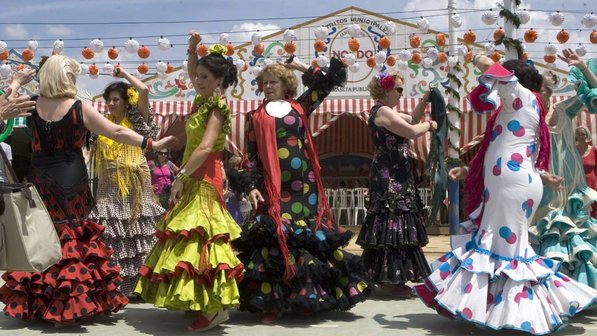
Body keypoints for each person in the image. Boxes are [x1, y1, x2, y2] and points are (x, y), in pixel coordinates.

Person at [415, 55, 597, 334]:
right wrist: (468, 171)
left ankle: (513, 311)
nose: (497, 89)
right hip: (511, 181)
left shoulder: (522, 96)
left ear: (516, 80)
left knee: (504, 248)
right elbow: (508, 146)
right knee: (500, 244)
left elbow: (494, 69)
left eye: (504, 82)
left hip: (510, 184)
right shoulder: (518, 107)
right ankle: (496, 307)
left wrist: (476, 56)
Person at [0, 56, 175, 325]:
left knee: (44, 235)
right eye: (72, 75)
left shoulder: (33, 103)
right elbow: (115, 131)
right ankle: (71, 303)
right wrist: (150, 143)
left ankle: (42, 303)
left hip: (39, 177)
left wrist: (14, 82)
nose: (74, 80)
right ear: (64, 77)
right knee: (73, 235)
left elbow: (3, 107)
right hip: (71, 177)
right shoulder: (78, 107)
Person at [229, 56, 371, 324]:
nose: (268, 86)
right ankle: (271, 302)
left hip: (304, 185)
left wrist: (298, 66)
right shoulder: (254, 116)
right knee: (274, 239)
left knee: (305, 239)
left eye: (274, 81)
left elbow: (327, 81)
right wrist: (249, 186)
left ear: (286, 85)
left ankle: (307, 296)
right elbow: (251, 155)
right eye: (265, 82)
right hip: (272, 186)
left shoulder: (300, 106)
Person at [134, 34, 244, 332]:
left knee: (204, 238)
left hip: (206, 176)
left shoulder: (218, 106)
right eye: (196, 76)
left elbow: (207, 147)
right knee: (187, 238)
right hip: (192, 172)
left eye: (204, 77)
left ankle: (216, 308)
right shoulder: (203, 97)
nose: (197, 80)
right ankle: (201, 297)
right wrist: (192, 50)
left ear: (220, 80)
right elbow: (194, 69)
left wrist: (180, 176)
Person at [87, 66, 165, 298]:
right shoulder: (101, 124)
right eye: (108, 100)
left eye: (115, 99)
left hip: (135, 185)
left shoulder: (137, 119)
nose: (111, 103)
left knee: (138, 232)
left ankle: (140, 287)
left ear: (125, 101)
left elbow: (143, 88)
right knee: (111, 233)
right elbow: (88, 152)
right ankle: (114, 284)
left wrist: (123, 75)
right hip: (108, 186)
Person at [357, 72, 435, 297]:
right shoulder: (381, 112)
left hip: (398, 175)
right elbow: (411, 131)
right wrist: (430, 125)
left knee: (397, 222)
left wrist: (424, 100)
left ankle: (391, 276)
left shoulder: (387, 111)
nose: (401, 94)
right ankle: (390, 279)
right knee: (392, 222)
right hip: (389, 177)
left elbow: (411, 120)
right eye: (399, 89)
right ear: (387, 90)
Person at [529, 52, 597, 289]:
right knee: (543, 232)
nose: (540, 94)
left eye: (544, 89)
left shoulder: (565, 110)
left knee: (572, 234)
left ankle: (577, 288)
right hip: (542, 186)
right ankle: (546, 287)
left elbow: (593, 92)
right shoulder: (527, 116)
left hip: (568, 185)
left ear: (551, 90)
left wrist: (583, 68)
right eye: (536, 90)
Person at [576, 126, 597, 217]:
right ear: (576, 136)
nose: (581, 137)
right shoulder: (572, 150)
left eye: (583, 134)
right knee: (581, 212)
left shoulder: (594, 150)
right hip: (578, 185)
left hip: (592, 185)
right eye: (579, 134)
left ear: (587, 135)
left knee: (594, 211)